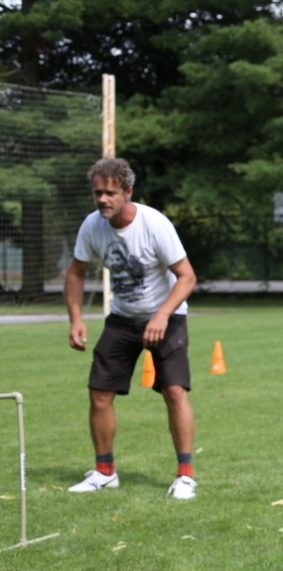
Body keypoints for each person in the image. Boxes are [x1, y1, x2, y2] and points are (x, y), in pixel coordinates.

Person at [63, 157, 199, 500]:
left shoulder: (154, 224)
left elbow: (187, 277)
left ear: (128, 192)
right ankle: (105, 472)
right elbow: (75, 272)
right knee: (99, 393)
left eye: (110, 193)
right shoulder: (92, 226)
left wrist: (162, 316)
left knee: (174, 391)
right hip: (123, 318)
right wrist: (76, 318)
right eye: (98, 193)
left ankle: (185, 477)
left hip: (166, 315)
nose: (102, 199)